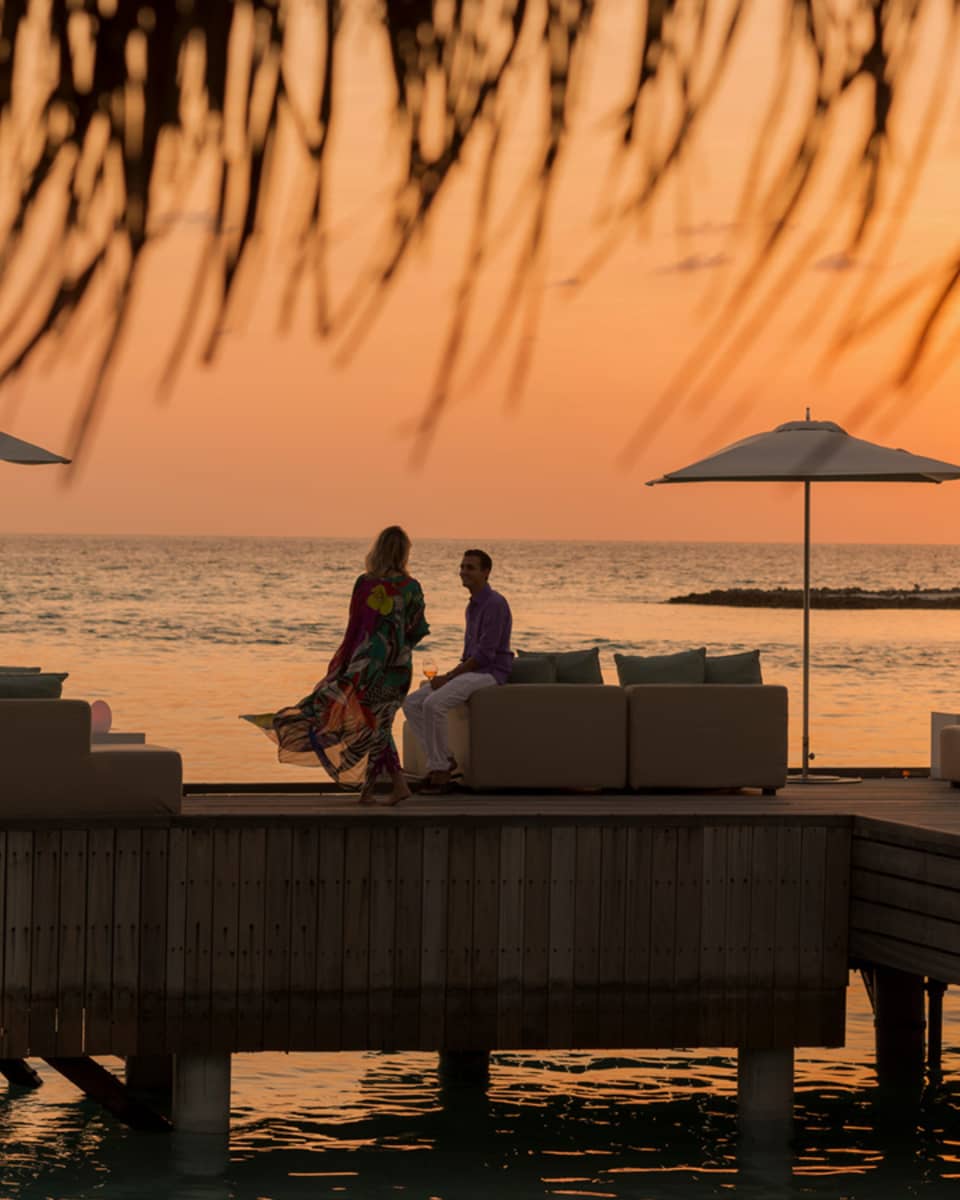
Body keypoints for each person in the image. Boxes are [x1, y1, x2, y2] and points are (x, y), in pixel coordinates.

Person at [245, 526, 429, 804]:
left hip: (364, 666)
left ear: (377, 549)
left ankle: (379, 788)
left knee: (372, 723)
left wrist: (345, 663)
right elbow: (418, 630)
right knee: (379, 724)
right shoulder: (411, 588)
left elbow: (354, 627)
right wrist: (396, 645)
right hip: (397, 670)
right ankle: (389, 787)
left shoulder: (365, 583)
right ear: (404, 552)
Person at [403, 548, 512, 794]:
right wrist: (453, 675)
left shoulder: (495, 604)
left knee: (433, 704)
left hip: (490, 673)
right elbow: (471, 653)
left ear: (486, 572)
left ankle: (441, 771)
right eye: (462, 567)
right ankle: (444, 760)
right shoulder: (472, 606)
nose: (463, 572)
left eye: (470, 567)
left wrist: (451, 676)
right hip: (471, 671)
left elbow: (485, 655)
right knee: (411, 703)